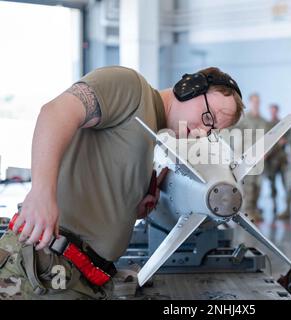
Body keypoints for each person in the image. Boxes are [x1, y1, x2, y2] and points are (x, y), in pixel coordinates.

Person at [0, 66, 244, 300]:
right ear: (188, 87)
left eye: (212, 130)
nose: (202, 131)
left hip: (76, 277)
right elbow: (55, 112)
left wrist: (133, 207)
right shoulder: (131, 89)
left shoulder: (150, 135)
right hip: (39, 268)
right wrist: (42, 192)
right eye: (208, 117)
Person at [234, 93, 269, 223]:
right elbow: (237, 137)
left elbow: (267, 139)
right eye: (254, 102)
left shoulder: (263, 121)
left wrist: (266, 152)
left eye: (258, 102)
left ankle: (254, 210)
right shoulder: (244, 120)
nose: (256, 104)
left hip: (260, 161)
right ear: (250, 103)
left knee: (258, 186)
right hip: (248, 159)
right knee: (248, 187)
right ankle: (247, 212)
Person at [264, 104, 290, 219]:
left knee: (286, 185)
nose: (273, 112)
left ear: (277, 111)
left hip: (282, 160)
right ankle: (274, 206)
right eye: (271, 111)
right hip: (271, 160)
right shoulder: (266, 125)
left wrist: (283, 142)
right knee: (272, 185)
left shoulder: (283, 124)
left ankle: (287, 209)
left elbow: (288, 139)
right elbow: (266, 142)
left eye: (275, 110)